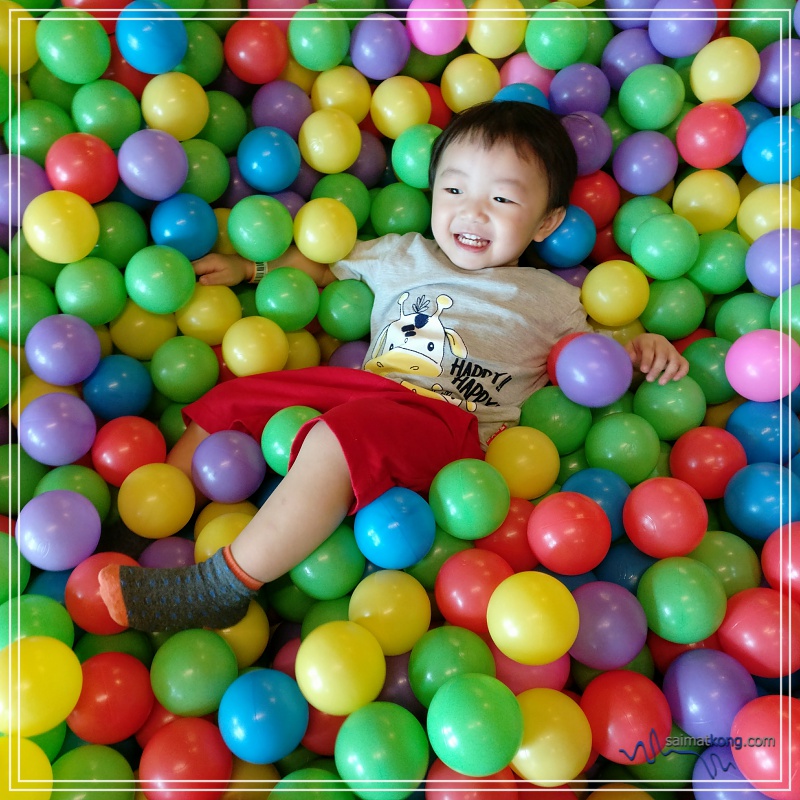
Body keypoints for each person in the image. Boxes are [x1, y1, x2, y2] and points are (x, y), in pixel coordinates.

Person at [99, 100, 688, 633]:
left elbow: (593, 361)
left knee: (341, 437)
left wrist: (642, 351)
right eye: (454, 191)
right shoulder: (405, 253)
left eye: (502, 199)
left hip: (449, 424)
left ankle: (222, 587)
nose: (473, 213)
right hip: (369, 386)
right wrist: (250, 269)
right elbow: (326, 265)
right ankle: (155, 528)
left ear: (545, 223)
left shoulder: (549, 296)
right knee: (240, 397)